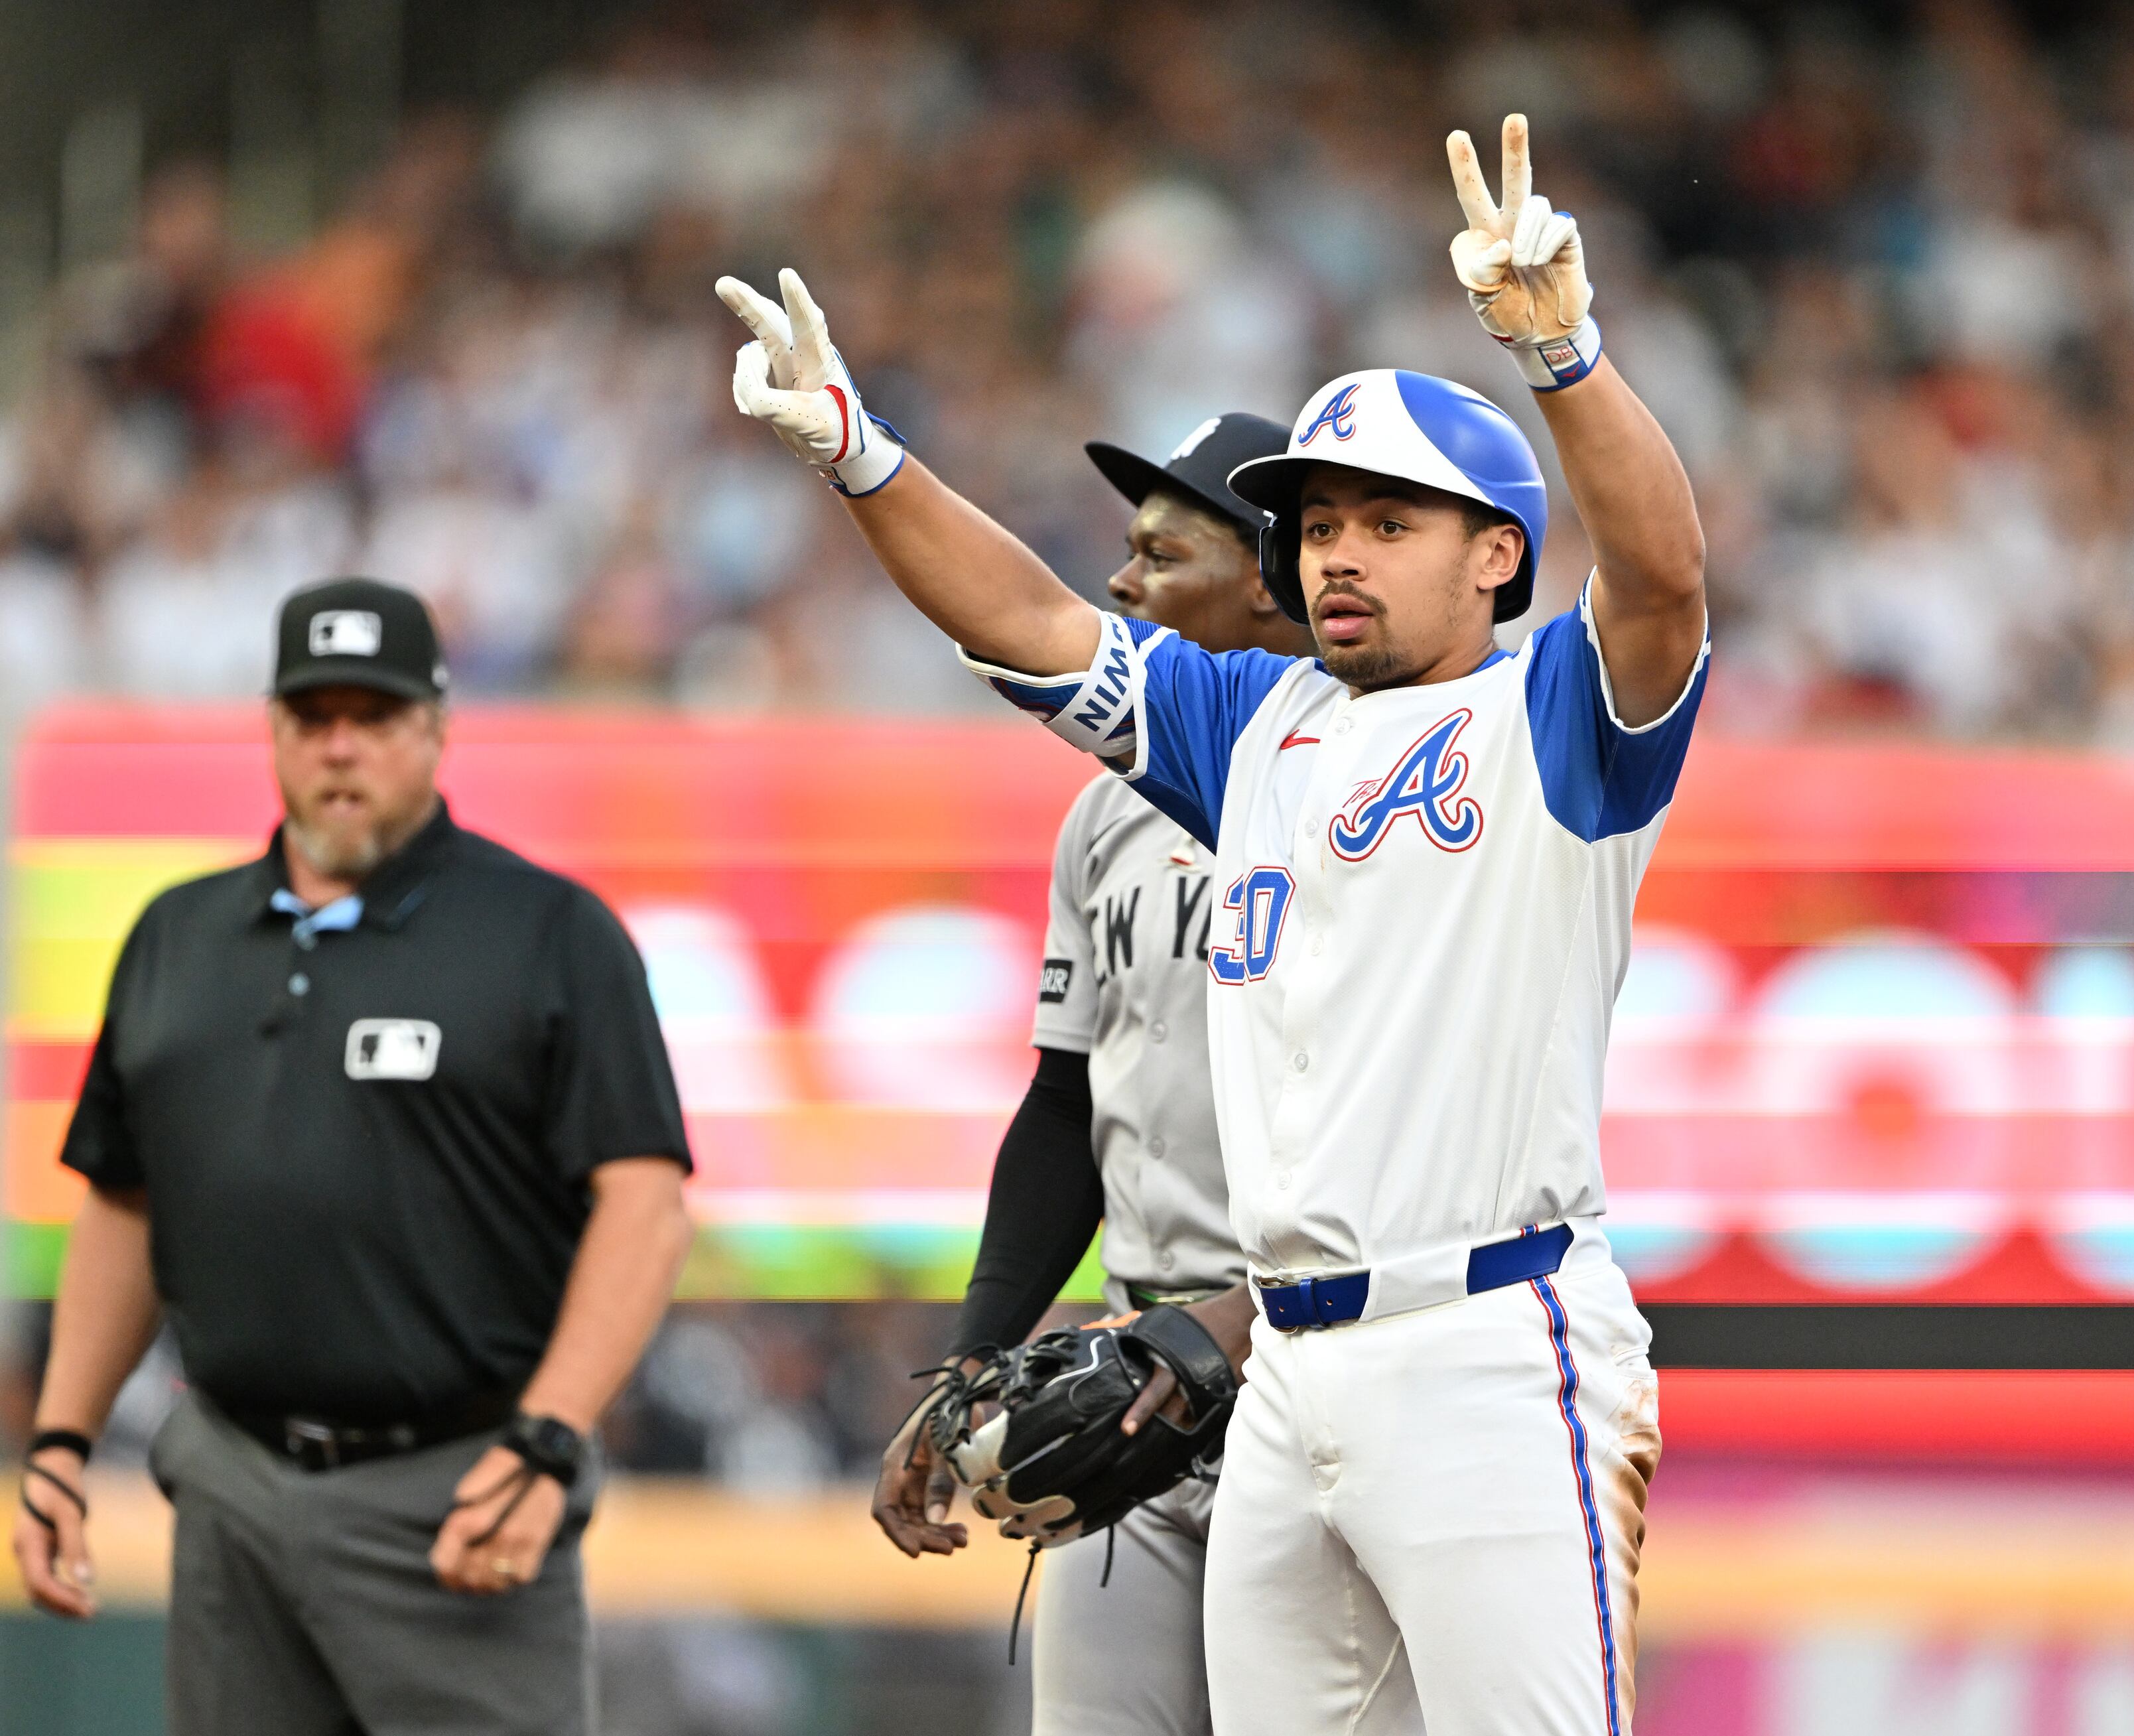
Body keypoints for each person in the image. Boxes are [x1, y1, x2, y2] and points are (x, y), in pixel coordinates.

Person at [720, 113, 1704, 1734]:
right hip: (1286, 1378)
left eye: (1388, 522)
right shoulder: (1253, 730)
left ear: (1500, 555)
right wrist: (857, 448)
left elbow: (1664, 582)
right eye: (1317, 524)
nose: (1336, 553)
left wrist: (1563, 352)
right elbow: (1030, 618)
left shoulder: (1560, 722)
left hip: (1488, 1342)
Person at [11, 577, 695, 1736]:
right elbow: (124, 1204)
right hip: (231, 1485)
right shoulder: (178, 937)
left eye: (372, 717)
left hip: (456, 1489)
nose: (341, 748)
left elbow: (645, 1205)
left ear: (434, 726)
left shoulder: (545, 932)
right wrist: (62, 1440)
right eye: (312, 715)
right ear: (272, 726)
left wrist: (549, 1435)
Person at [867, 411, 1310, 1733]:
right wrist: (972, 1365)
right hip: (1131, 1380)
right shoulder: (1106, 810)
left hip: (1314, 1360)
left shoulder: (1370, 781)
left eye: (1161, 555)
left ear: (1270, 574)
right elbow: (1067, 1106)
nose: (1125, 584)